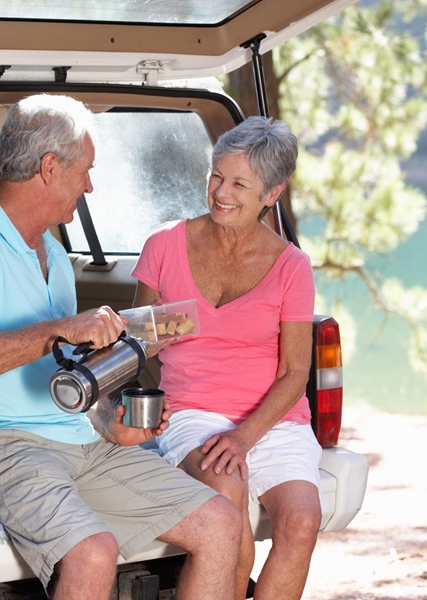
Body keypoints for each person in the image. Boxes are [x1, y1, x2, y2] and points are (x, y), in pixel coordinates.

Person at [0, 93, 241, 600]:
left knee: (221, 524)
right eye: (85, 170)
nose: (90, 184)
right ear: (50, 167)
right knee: (92, 551)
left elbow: (61, 376)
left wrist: (109, 423)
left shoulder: (52, 251)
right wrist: (60, 328)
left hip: (75, 440)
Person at [131, 116, 322, 600]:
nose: (221, 191)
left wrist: (242, 436)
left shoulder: (291, 266)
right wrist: (151, 335)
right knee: (226, 492)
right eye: (217, 175)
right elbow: (137, 346)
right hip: (194, 412)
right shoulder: (164, 244)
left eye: (239, 183)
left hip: (275, 420)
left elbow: (295, 372)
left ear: (271, 194)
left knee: (302, 521)